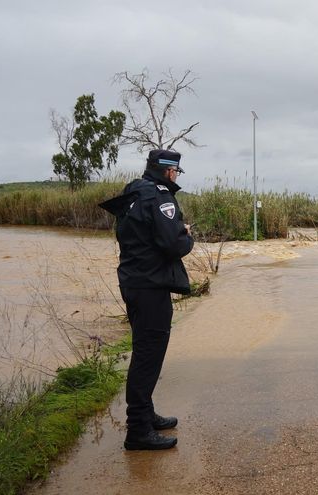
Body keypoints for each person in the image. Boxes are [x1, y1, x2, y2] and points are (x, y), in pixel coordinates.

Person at [100, 149, 194, 450]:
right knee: (148, 356)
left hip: (134, 281)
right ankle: (138, 430)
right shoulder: (160, 197)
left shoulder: (134, 192)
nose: (176, 176)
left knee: (145, 351)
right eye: (176, 171)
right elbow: (173, 244)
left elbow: (140, 235)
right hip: (151, 286)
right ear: (169, 170)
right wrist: (186, 234)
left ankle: (146, 415)